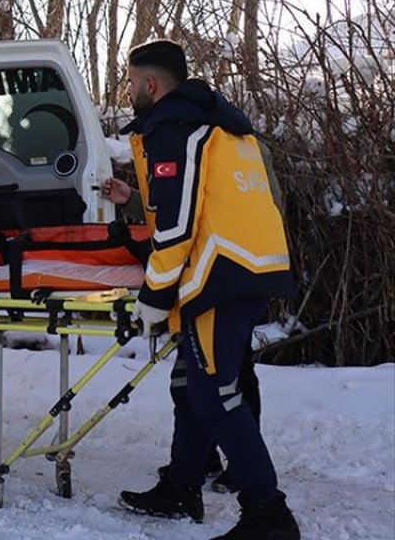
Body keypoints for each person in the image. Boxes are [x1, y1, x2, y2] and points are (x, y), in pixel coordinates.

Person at [115, 40, 300, 540]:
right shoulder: (219, 124)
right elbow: (191, 204)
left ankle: (269, 515)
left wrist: (154, 296)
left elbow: (176, 227)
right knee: (190, 386)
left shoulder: (176, 128)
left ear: (151, 85)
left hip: (218, 275)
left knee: (215, 395)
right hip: (242, 269)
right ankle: (182, 484)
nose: (130, 92)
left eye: (132, 83)